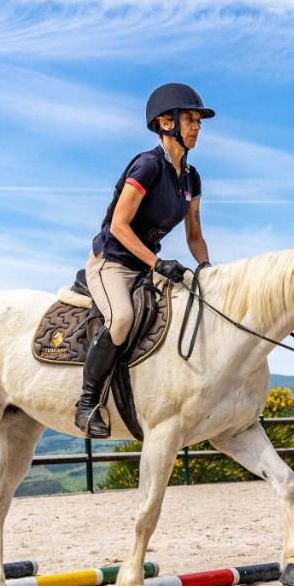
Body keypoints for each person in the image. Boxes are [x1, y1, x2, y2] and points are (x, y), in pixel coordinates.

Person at [75, 83, 215, 438]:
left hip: (144, 266)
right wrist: (156, 263)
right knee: (121, 319)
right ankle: (87, 403)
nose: (197, 127)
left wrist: (207, 269)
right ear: (167, 122)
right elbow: (119, 226)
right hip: (112, 262)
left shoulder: (191, 178)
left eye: (199, 121)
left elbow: (194, 234)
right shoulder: (147, 166)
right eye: (191, 120)